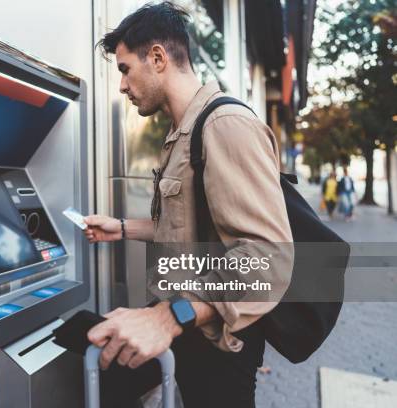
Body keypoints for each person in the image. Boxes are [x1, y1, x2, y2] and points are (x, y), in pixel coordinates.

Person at [82, 2, 294, 407]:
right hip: (189, 321)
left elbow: (269, 258)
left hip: (218, 337)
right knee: (107, 365)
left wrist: (167, 317)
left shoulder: (225, 125)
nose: (122, 86)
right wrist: (122, 227)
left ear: (158, 58)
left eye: (125, 69)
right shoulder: (185, 133)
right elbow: (193, 223)